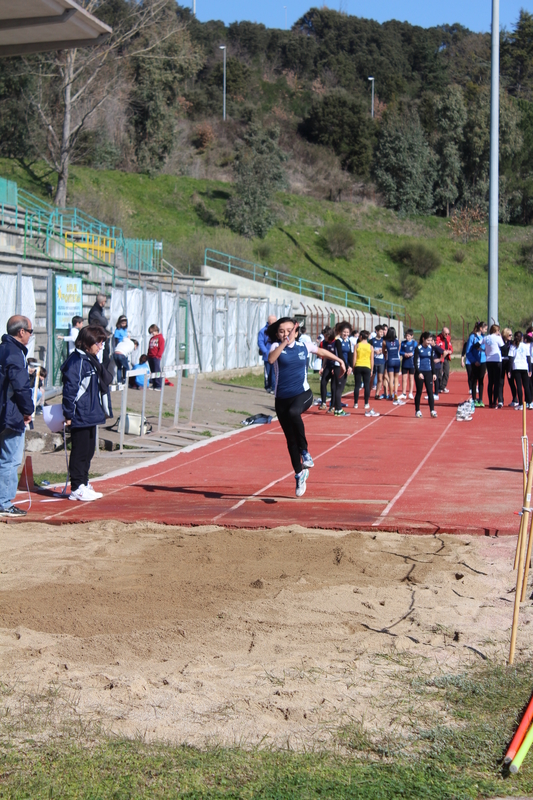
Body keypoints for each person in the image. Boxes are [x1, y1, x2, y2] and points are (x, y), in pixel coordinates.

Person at [267, 317, 346, 497]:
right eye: (282, 331)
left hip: (303, 394)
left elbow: (322, 352)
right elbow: (271, 360)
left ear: (296, 331)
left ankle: (306, 452)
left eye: (289, 330)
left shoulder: (304, 346)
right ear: (277, 334)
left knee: (295, 412)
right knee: (290, 439)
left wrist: (340, 361)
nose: (286, 334)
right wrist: (284, 343)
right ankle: (299, 473)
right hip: (281, 400)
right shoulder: (275, 348)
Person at [61, 325, 112, 501]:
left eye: (102, 343)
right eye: (98, 343)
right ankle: (76, 486)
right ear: (88, 342)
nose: (101, 346)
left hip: (91, 413)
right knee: (80, 451)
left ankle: (83, 482)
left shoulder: (91, 359)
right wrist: (68, 414)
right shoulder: (77, 361)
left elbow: (106, 380)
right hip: (80, 414)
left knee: (89, 451)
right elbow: (70, 390)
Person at [0, 316, 35, 517]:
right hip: (10, 414)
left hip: (4, 411)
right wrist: (27, 410)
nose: (30, 335)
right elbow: (20, 387)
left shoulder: (3, 349)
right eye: (30, 331)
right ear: (21, 332)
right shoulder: (14, 353)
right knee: (10, 460)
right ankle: (4, 503)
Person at [353, 330, 378, 416]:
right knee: (367, 385)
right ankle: (366, 403)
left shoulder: (357, 346)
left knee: (357, 385)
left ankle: (356, 403)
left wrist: (353, 367)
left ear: (360, 337)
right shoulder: (371, 347)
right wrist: (371, 369)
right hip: (367, 366)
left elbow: (354, 358)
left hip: (358, 366)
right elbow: (372, 360)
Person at [413, 331, 437, 418]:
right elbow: (415, 362)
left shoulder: (431, 348)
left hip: (428, 372)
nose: (429, 342)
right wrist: (418, 373)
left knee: (430, 392)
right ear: (423, 339)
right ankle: (417, 410)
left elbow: (432, 361)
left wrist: (434, 373)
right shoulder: (418, 348)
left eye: (431, 340)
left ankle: (432, 410)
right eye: (428, 340)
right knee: (419, 392)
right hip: (420, 372)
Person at [332, 322, 352, 417]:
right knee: (338, 388)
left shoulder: (348, 341)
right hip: (338, 366)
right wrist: (345, 366)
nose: (346, 334)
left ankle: (337, 408)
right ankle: (338, 409)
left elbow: (350, 354)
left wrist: (350, 366)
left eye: (347, 332)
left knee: (341, 388)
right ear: (340, 331)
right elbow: (340, 354)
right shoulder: (338, 341)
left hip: (346, 366)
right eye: (344, 332)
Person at [465, 321, 487, 407]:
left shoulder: (484, 337)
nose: (486, 330)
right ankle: (474, 399)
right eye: (485, 328)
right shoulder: (472, 337)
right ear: (480, 328)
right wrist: (474, 361)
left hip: (483, 361)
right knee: (474, 380)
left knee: (481, 380)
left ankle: (480, 399)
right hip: (475, 362)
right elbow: (468, 351)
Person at [509, 331, 531, 411]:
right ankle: (529, 402)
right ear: (522, 337)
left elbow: (511, 359)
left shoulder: (513, 346)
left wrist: (509, 370)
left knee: (519, 386)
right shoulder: (525, 346)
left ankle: (521, 404)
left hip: (516, 367)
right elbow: (528, 358)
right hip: (524, 367)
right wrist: (530, 369)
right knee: (526, 386)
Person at [88, 293, 111, 368]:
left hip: (101, 336)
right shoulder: (95, 311)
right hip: (97, 337)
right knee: (103, 359)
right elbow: (104, 322)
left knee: (105, 358)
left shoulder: (99, 310)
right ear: (102, 302)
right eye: (105, 301)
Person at [484, 324, 504, 408]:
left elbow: (477, 345)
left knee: (490, 381)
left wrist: (484, 350)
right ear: (496, 331)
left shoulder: (486, 338)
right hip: (497, 360)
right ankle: (495, 401)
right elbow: (504, 348)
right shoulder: (498, 338)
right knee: (496, 382)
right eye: (498, 330)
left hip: (488, 360)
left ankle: (490, 401)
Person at [258, 314, 277, 393]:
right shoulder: (263, 331)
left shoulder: (277, 330)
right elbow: (260, 342)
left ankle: (274, 387)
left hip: (275, 354)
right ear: (271, 321)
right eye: (275, 321)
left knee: (275, 371)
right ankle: (268, 386)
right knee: (268, 372)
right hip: (267, 355)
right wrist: (266, 352)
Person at [318, 327, 336, 411]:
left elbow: (338, 356)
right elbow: (325, 356)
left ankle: (332, 405)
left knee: (333, 386)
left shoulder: (335, 342)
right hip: (327, 366)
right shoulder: (324, 343)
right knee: (323, 382)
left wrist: (335, 367)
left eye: (326, 336)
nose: (324, 338)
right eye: (324, 336)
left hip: (335, 366)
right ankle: (323, 403)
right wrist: (322, 367)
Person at [383, 327, 402, 404]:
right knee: (396, 378)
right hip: (397, 360)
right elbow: (398, 350)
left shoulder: (385, 342)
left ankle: (390, 395)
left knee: (391, 378)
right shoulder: (399, 341)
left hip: (390, 360)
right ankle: (396, 393)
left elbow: (384, 351)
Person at [500, 328, 515, 407]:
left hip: (509, 363)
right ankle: (500, 400)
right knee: (501, 382)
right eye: (509, 335)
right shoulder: (501, 342)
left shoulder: (511, 343)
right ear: (505, 335)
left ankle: (515, 399)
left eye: (511, 335)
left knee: (511, 381)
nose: (511, 336)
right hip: (502, 363)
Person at [147, 324, 165, 390]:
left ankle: (158, 385)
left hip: (156, 357)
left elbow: (161, 348)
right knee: (153, 371)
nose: (152, 334)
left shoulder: (160, 338)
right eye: (151, 333)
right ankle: (154, 384)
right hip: (150, 357)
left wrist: (158, 356)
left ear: (156, 330)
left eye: (153, 332)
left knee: (157, 371)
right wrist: (148, 355)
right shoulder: (152, 338)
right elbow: (149, 348)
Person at [400, 328, 416, 400]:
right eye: (406, 336)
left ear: (412, 336)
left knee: (411, 378)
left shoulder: (414, 343)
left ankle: (410, 393)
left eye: (409, 336)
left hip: (412, 363)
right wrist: (404, 354)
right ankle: (403, 393)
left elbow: (416, 352)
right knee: (404, 379)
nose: (407, 337)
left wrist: (412, 353)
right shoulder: (403, 343)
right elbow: (400, 352)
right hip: (405, 363)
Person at [436, 327, 453, 393]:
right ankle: (439, 387)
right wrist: (444, 351)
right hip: (440, 358)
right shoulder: (438, 338)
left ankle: (443, 386)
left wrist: (450, 351)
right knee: (439, 373)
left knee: (446, 372)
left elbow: (450, 347)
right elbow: (437, 347)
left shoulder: (448, 338)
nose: (447, 335)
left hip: (446, 358)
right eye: (446, 333)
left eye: (448, 334)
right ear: (442, 332)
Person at [372, 325, 386, 399]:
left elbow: (386, 350)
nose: (382, 333)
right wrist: (374, 351)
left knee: (380, 378)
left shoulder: (384, 341)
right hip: (373, 361)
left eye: (382, 332)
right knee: (372, 377)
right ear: (376, 331)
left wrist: (381, 351)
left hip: (381, 362)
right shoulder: (372, 340)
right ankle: (367, 392)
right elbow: (368, 349)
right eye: (380, 332)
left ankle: (377, 394)